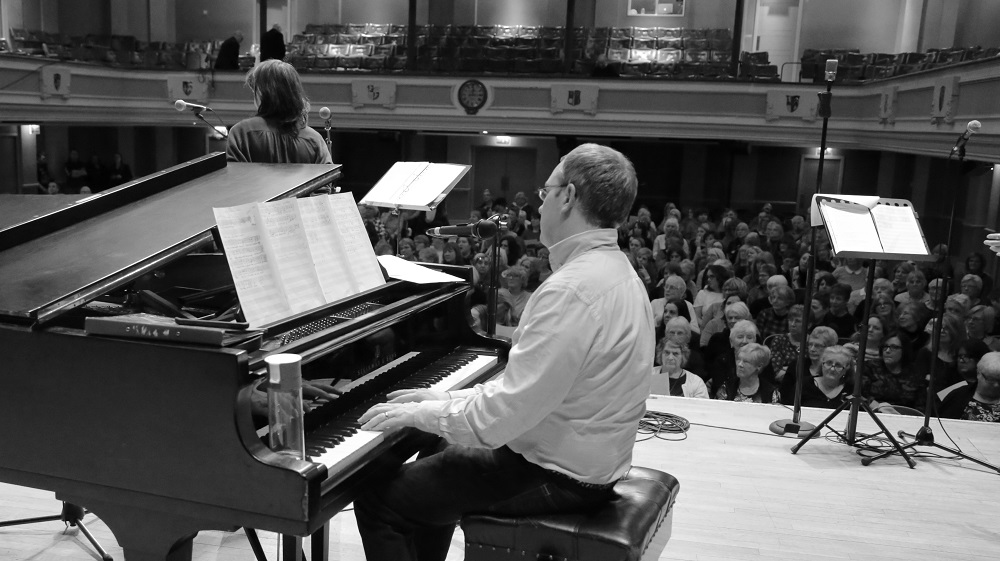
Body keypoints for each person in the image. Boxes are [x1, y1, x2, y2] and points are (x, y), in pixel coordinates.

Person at [353, 143, 653, 561]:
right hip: (588, 461)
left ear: (568, 197)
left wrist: (423, 414)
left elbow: (504, 417)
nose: (541, 202)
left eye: (546, 191)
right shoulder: (619, 272)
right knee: (439, 447)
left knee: (378, 502)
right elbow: (527, 392)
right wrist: (444, 398)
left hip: (558, 476)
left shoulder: (572, 290)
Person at [226, 59, 331, 164]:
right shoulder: (314, 139)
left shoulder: (242, 132)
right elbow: (328, 174)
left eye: (254, 91)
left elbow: (234, 172)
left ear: (261, 93)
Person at [961, 351, 1000, 422]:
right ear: (978, 373)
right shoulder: (958, 396)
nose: (996, 385)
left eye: (999, 380)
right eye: (991, 379)